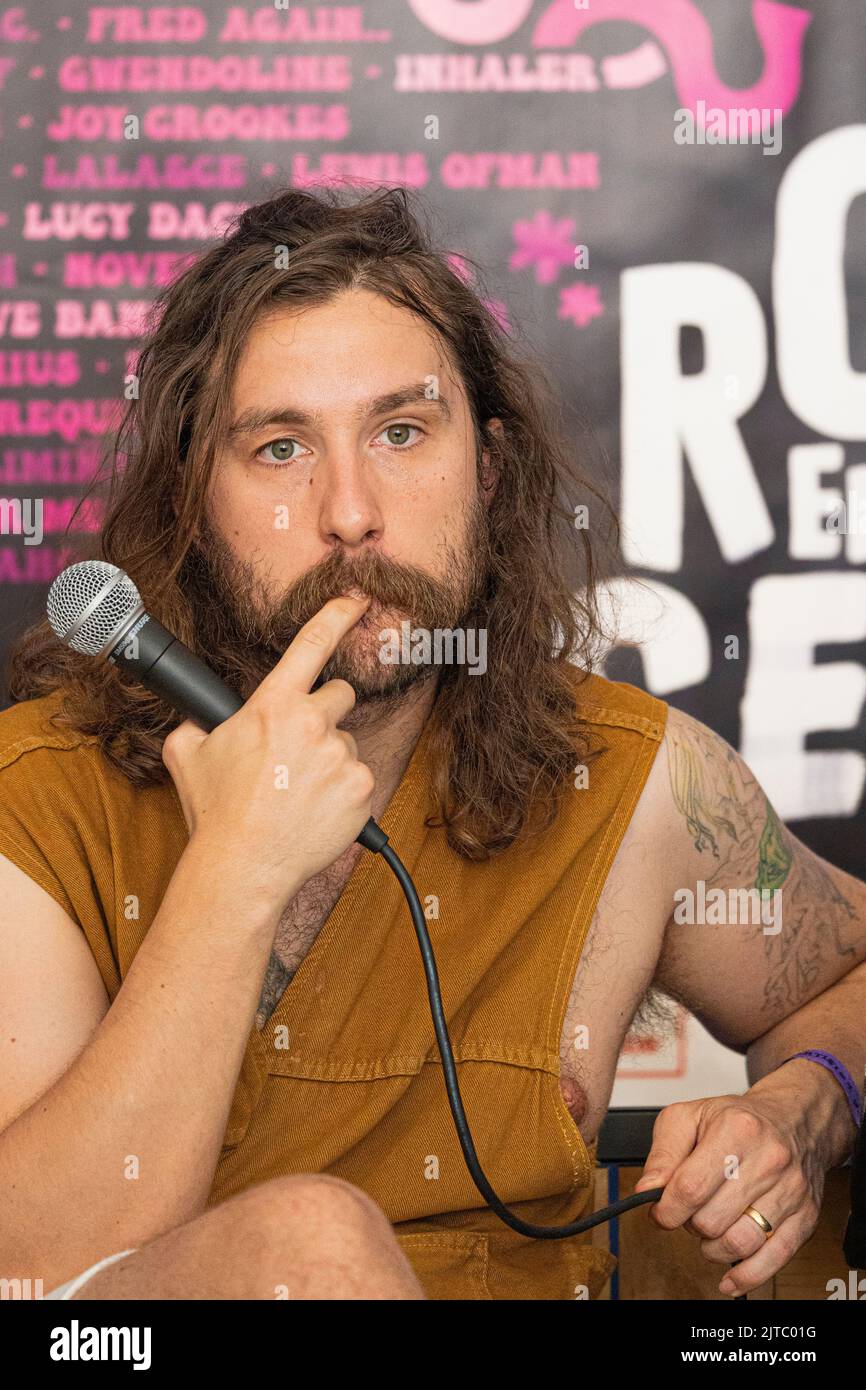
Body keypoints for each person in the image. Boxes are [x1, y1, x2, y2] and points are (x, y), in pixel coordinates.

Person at [0, 186, 863, 1302]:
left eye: (401, 432)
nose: (350, 511)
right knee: (311, 1247)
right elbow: (33, 1278)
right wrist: (234, 872)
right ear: (191, 503)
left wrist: (803, 1102)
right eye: (277, 449)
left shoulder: (631, 778)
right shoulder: (39, 800)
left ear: (487, 472)